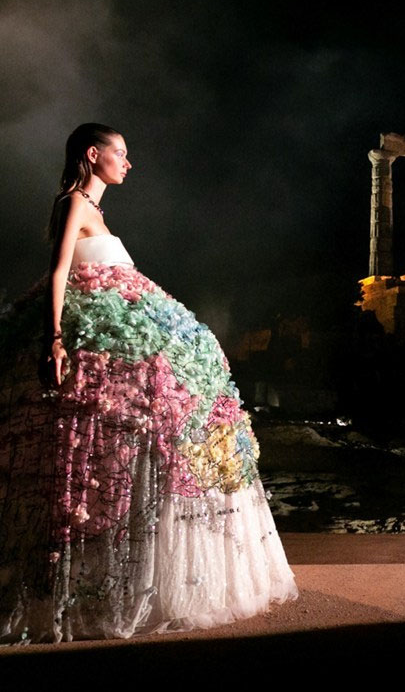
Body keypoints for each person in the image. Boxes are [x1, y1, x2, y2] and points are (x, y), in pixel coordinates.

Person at [0, 124, 297, 643]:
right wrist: (55, 339)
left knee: (163, 432)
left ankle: (136, 574)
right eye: (120, 153)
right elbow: (60, 271)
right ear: (93, 155)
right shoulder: (74, 204)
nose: (128, 162)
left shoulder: (93, 210)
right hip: (95, 333)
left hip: (128, 324)